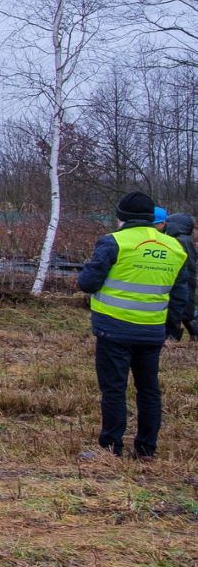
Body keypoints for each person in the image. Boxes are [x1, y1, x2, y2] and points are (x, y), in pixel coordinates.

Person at [76, 192, 188, 459]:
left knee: (114, 388)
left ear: (121, 217)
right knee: (149, 389)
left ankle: (110, 447)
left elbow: (87, 283)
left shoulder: (113, 242)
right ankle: (146, 448)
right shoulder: (174, 247)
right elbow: (179, 294)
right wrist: (170, 329)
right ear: (153, 218)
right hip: (151, 330)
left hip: (113, 329)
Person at [162, 213, 196, 341]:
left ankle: (173, 336)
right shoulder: (186, 239)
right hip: (187, 279)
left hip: (184, 279)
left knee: (181, 311)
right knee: (186, 311)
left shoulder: (180, 240)